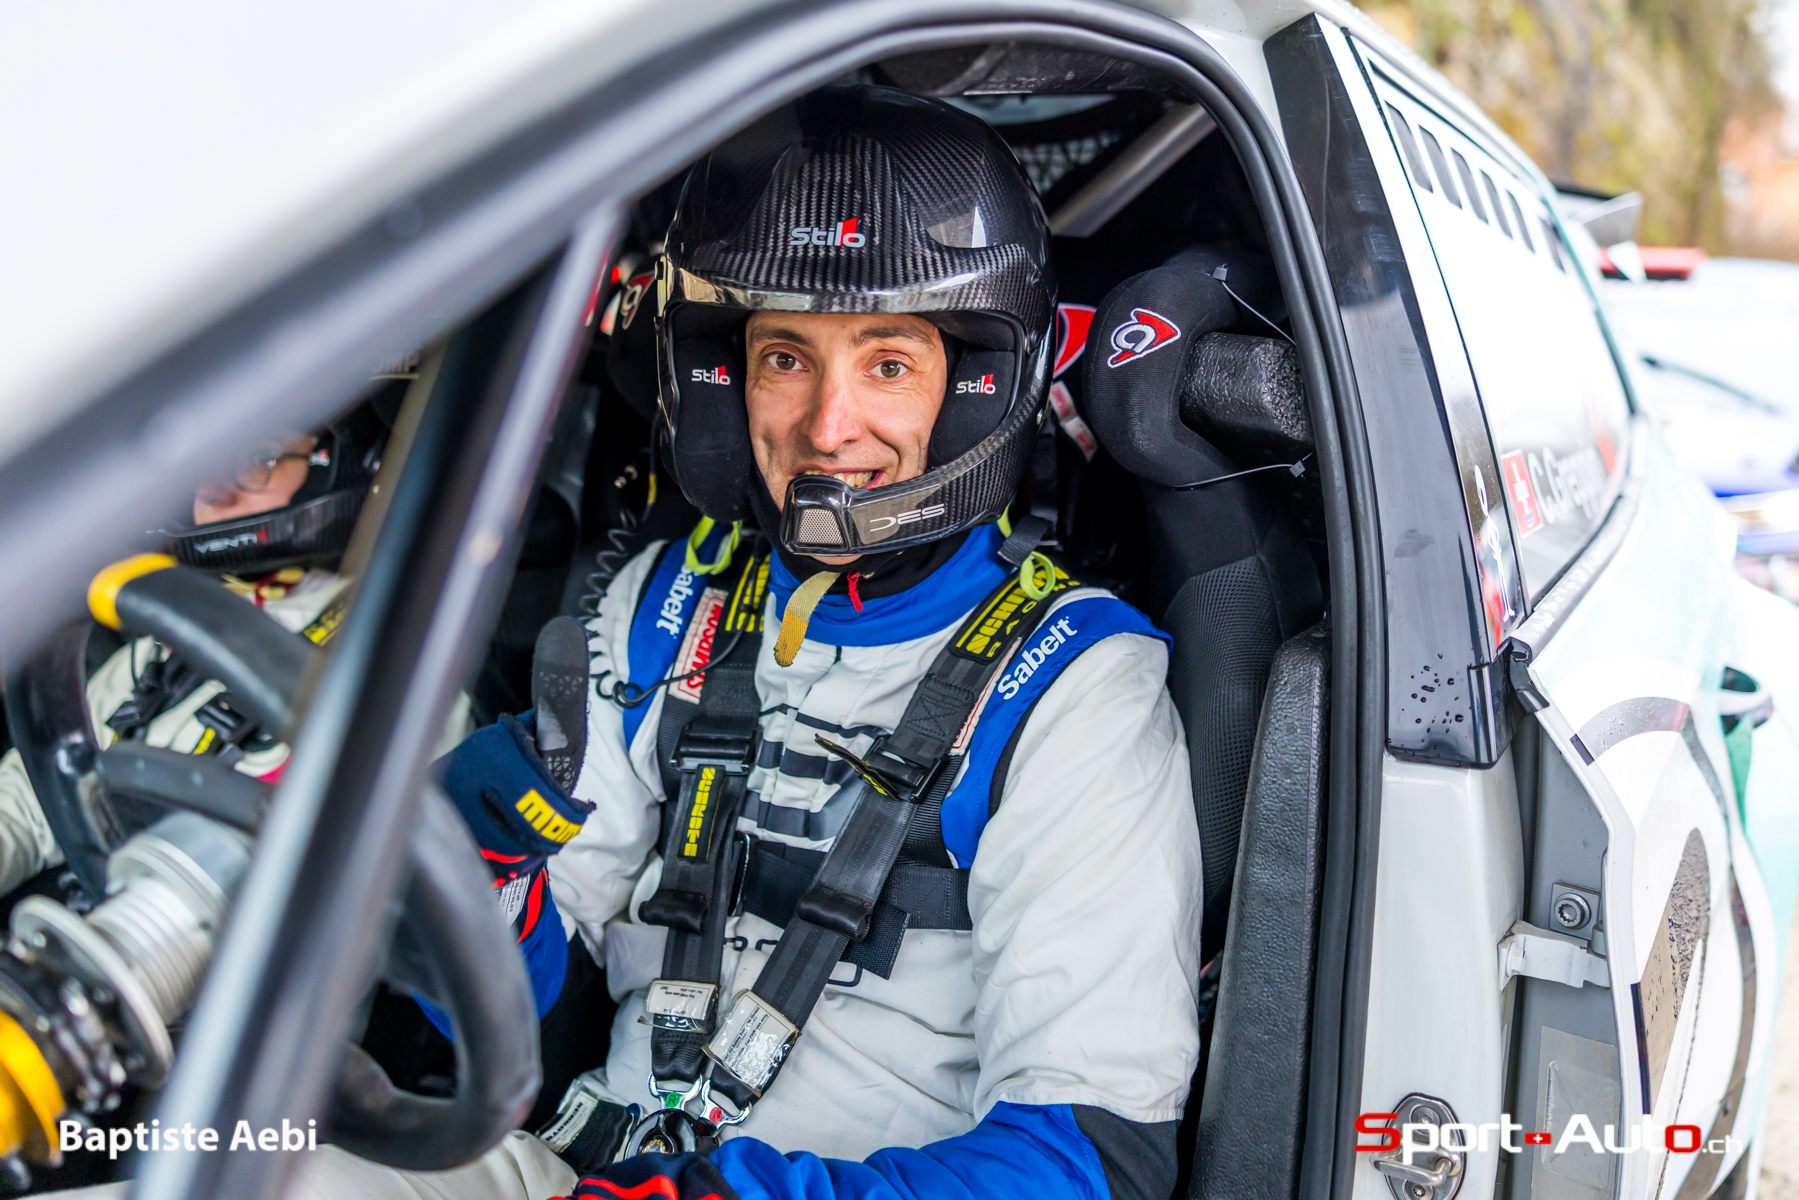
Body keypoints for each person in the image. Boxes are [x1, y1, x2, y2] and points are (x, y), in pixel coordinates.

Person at [298, 85, 1201, 1200]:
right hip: (583, 1171)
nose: (826, 427)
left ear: (974, 388)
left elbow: (1083, 1162)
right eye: (785, 359)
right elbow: (498, 1010)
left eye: (887, 364)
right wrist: (471, 875)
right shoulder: (671, 600)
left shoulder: (1077, 685)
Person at [0, 404, 390, 893]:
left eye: (258, 458)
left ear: (346, 464)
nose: (215, 489)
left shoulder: (397, 647)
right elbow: (33, 798)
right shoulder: (165, 632)